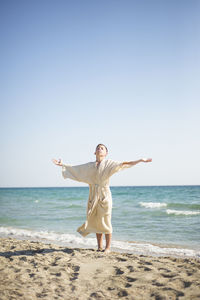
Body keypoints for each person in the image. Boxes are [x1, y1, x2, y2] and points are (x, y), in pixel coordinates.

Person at [52, 144, 152, 253]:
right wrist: (62, 164)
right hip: (93, 195)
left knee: (106, 220)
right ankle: (99, 247)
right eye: (98, 148)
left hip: (105, 195)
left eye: (102, 148)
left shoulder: (109, 164)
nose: (100, 149)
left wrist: (140, 160)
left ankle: (108, 247)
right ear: (95, 152)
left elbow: (124, 164)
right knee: (96, 221)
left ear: (106, 153)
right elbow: (76, 169)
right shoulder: (89, 166)